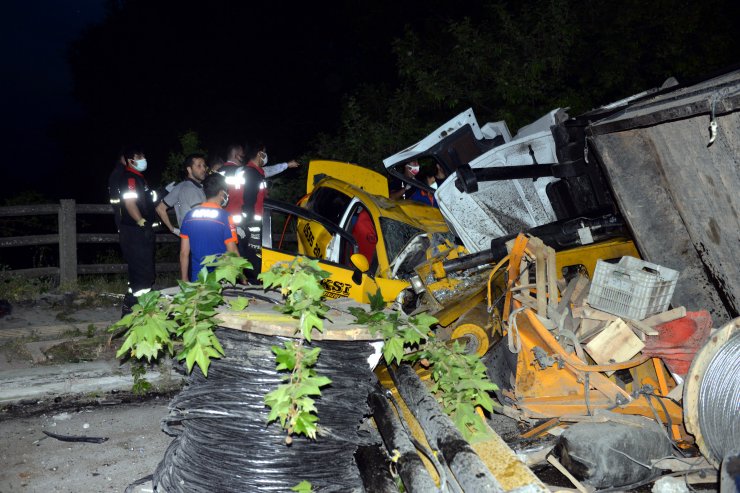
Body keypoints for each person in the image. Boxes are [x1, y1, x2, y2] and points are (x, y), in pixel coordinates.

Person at [117, 145, 157, 316]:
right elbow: (130, 203)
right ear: (130, 160)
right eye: (139, 157)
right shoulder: (130, 179)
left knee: (141, 270)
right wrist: (141, 221)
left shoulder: (139, 178)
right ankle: (142, 311)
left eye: (143, 155)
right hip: (135, 231)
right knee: (142, 271)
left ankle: (131, 307)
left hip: (139, 231)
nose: (143, 159)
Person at [179, 174, 239, 282]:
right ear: (222, 193)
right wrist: (242, 279)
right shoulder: (225, 217)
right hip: (220, 278)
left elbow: (184, 252)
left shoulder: (189, 216)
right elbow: (232, 251)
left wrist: (184, 279)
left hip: (198, 278)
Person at [155, 153, 207, 234]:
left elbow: (160, 208)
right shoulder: (189, 188)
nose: (203, 169)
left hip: (190, 237)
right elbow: (160, 209)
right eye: (199, 166)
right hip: (196, 237)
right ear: (189, 170)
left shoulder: (182, 186)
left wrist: (175, 230)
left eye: (204, 165)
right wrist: (174, 230)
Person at [107, 151, 127, 231]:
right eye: (124, 158)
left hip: (122, 205)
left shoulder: (122, 171)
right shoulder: (120, 172)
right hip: (121, 205)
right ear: (120, 159)